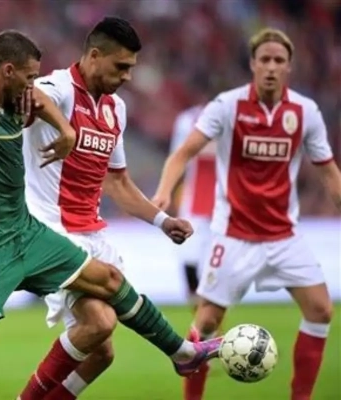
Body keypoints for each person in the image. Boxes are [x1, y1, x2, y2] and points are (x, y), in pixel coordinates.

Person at [0, 29, 221, 400]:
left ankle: (182, 354)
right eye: (29, 77)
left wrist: (65, 131)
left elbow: (42, 104)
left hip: (28, 233)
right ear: (9, 71)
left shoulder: (16, 103)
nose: (33, 86)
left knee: (109, 281)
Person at [17, 17, 215, 400]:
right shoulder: (59, 87)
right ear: (94, 56)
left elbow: (118, 183)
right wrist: (65, 128)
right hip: (49, 230)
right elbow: (32, 96)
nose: (127, 76)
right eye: (121, 66)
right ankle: (181, 352)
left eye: (131, 68)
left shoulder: (115, 109)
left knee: (102, 350)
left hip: (90, 232)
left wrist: (162, 220)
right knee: (104, 307)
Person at [152, 28, 340, 400]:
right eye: (265, 59)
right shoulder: (228, 106)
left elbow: (329, 171)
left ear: (289, 67)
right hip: (233, 235)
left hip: (284, 235)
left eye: (279, 60)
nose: (271, 67)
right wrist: (163, 191)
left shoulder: (305, 112)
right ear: (253, 64)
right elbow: (183, 153)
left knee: (320, 310)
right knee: (207, 321)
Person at [169, 102, 215, 310]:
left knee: (215, 264)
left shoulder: (238, 115)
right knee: (189, 257)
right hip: (195, 199)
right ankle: (201, 315)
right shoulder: (187, 120)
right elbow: (178, 158)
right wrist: (169, 192)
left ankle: (209, 316)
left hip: (228, 203)